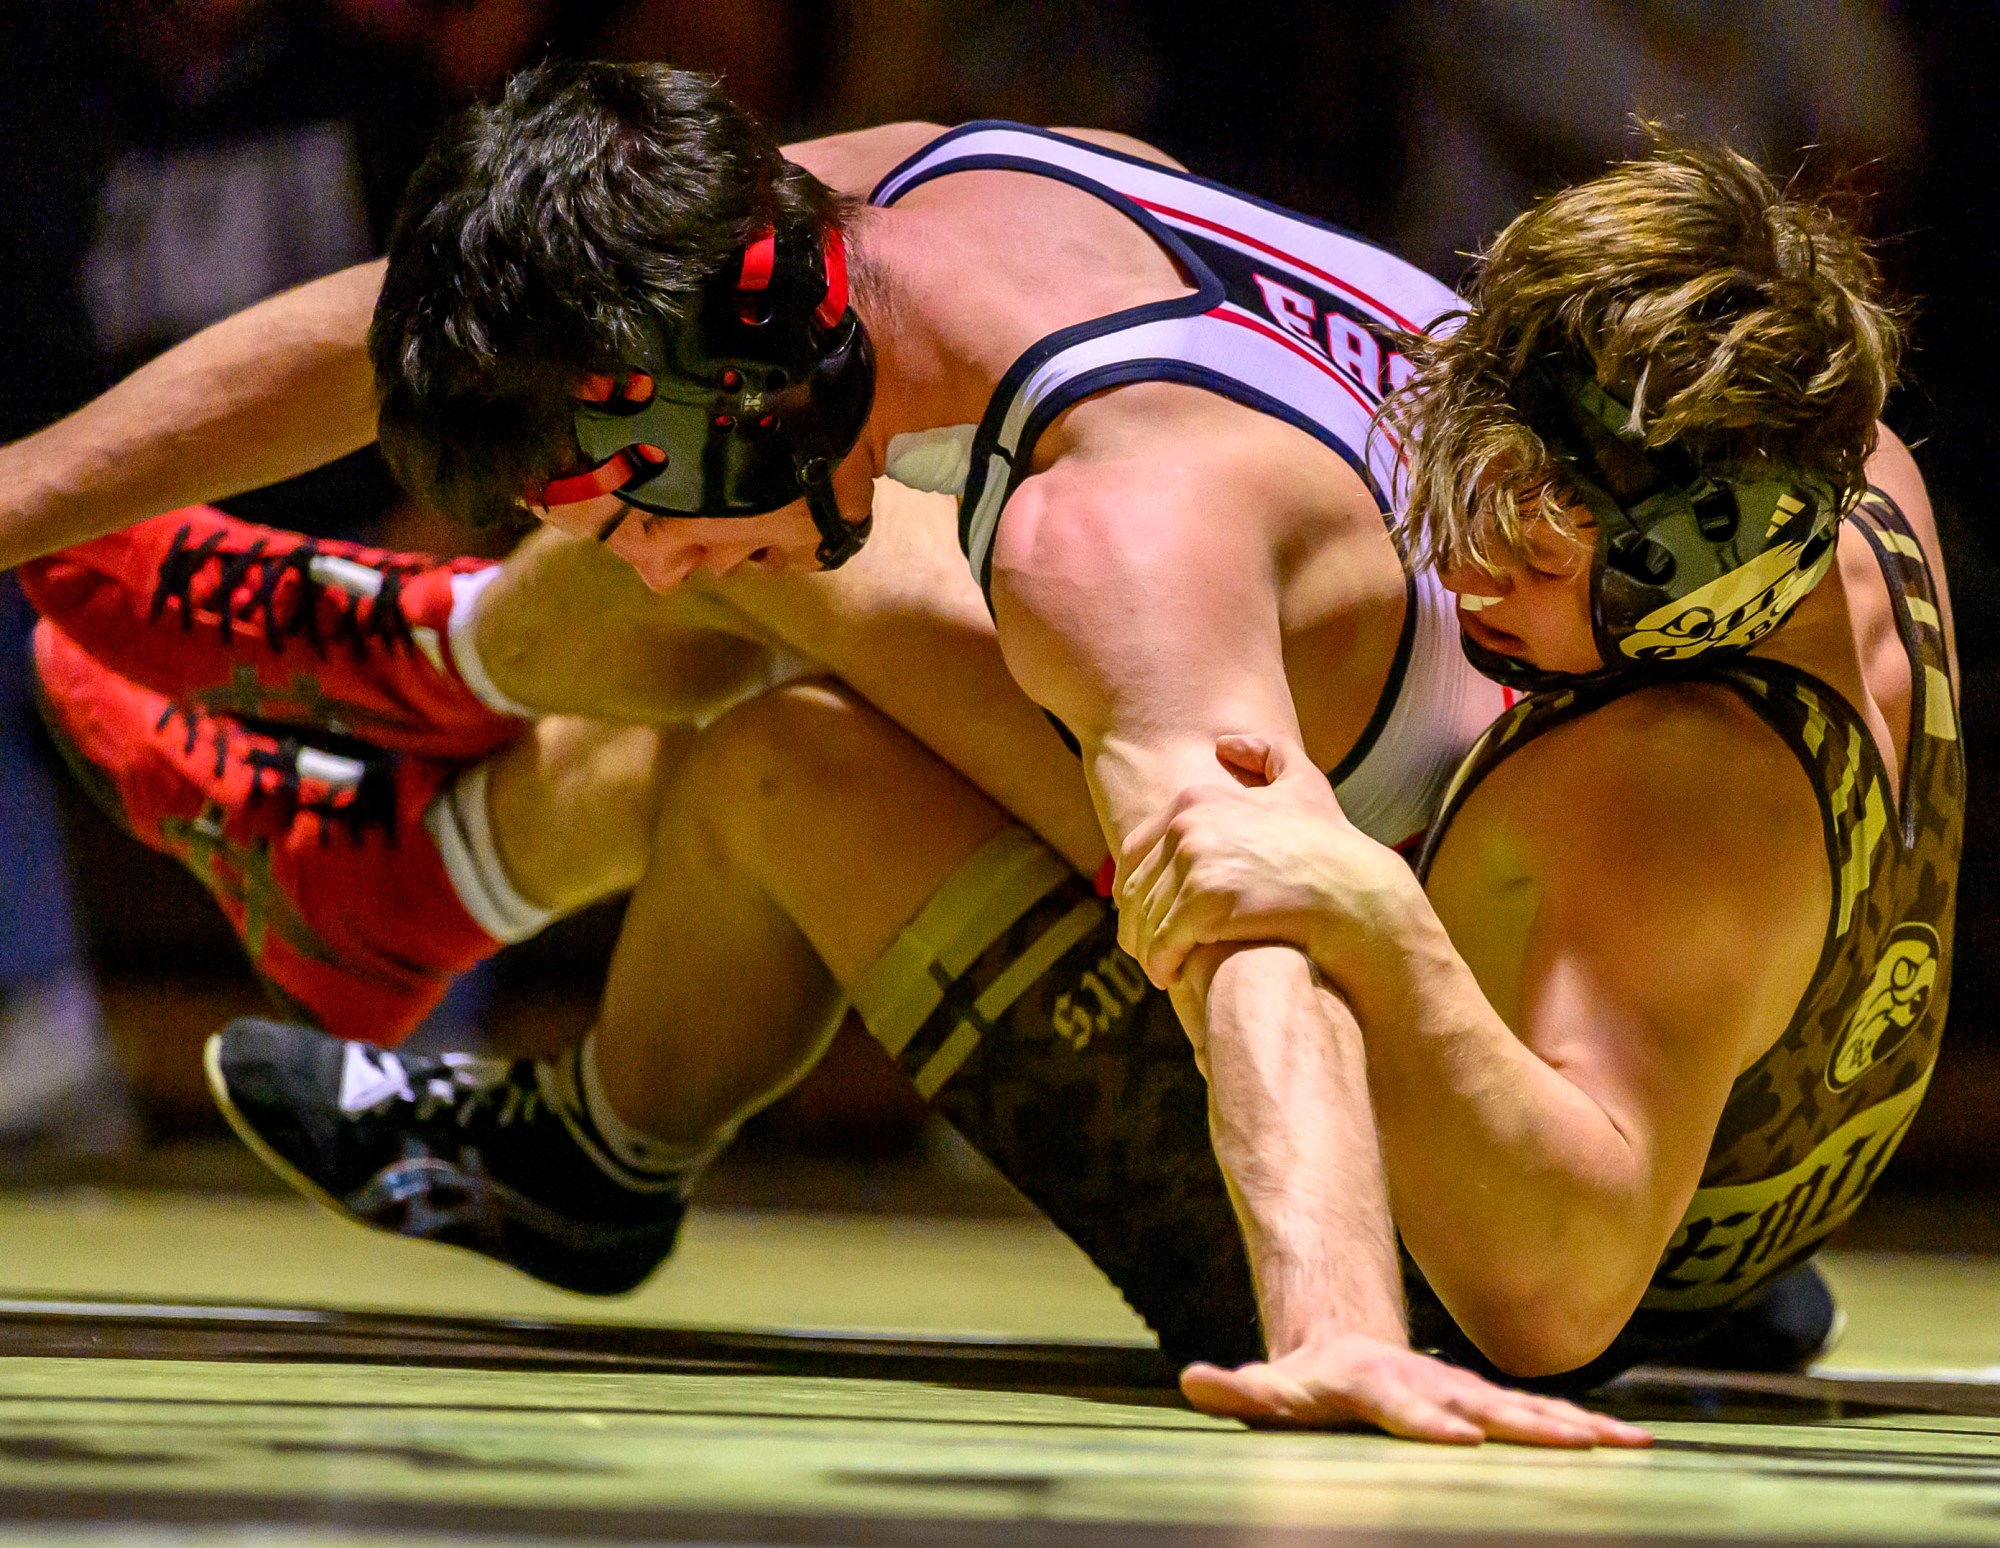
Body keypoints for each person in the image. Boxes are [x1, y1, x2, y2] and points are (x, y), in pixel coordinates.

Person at [5, 66, 1927, 1434]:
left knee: (795, 738)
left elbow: (1244, 890)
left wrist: (1338, 1324)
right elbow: (428, 316)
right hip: (1657, 1046)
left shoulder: (1623, 750)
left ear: (1697, 570)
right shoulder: (945, 193)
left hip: (1573, 1213)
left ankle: (426, 744)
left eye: (1533, 541)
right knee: (774, 620)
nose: (1476, 540)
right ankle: (429, 783)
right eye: (1476, 468)